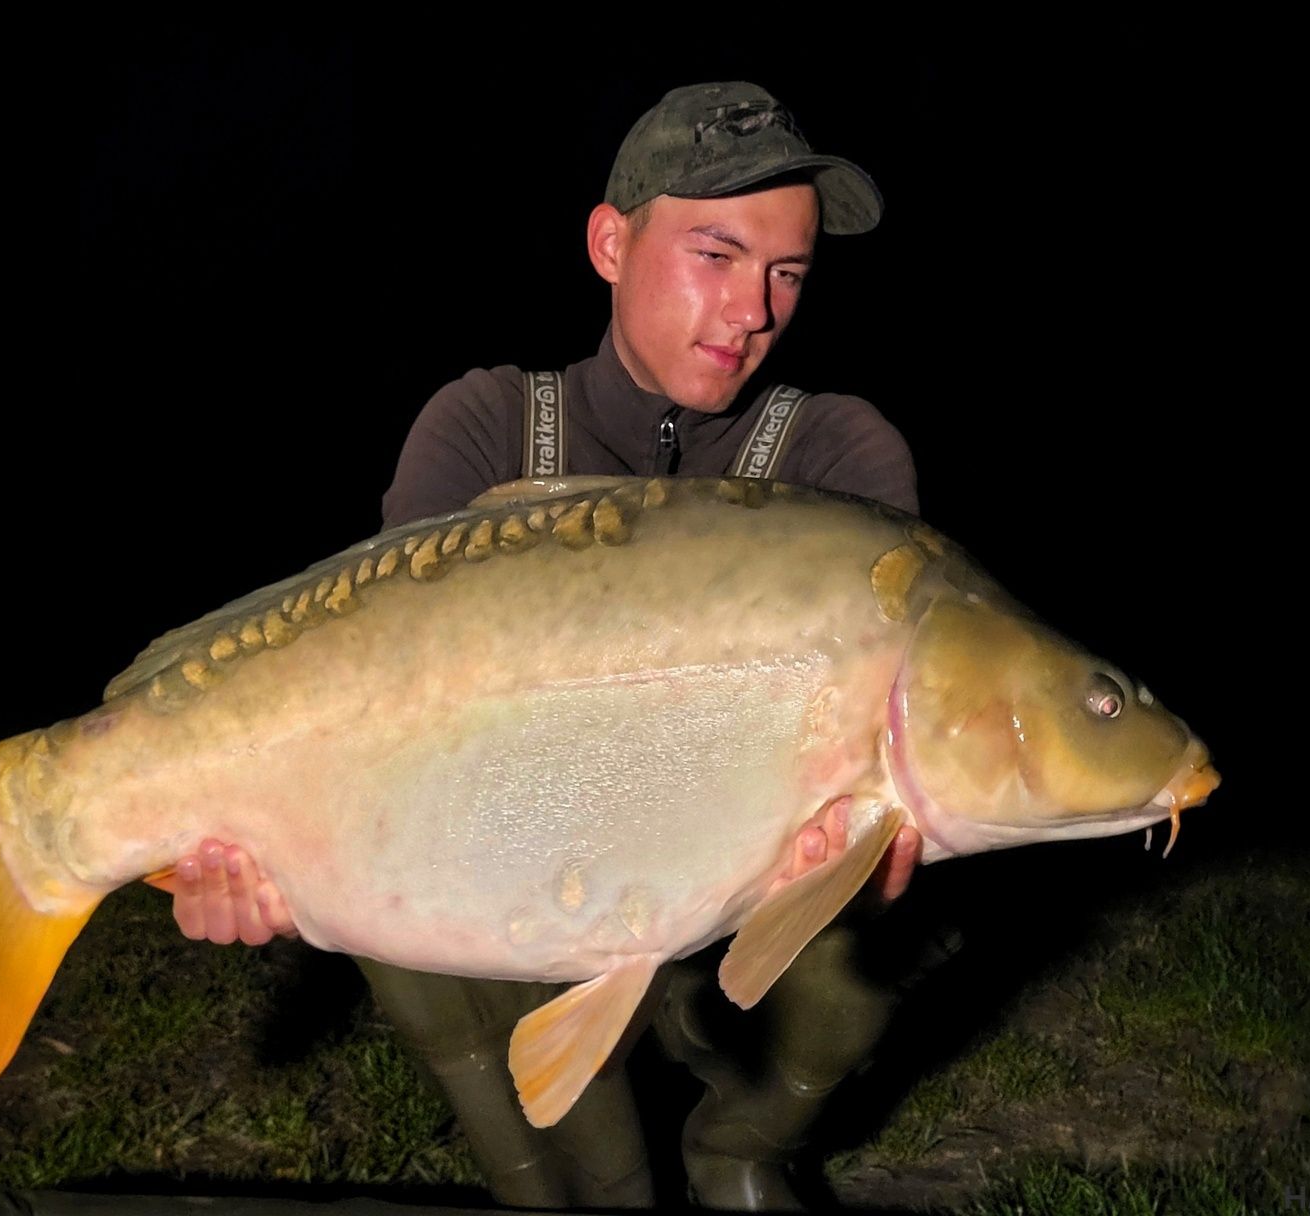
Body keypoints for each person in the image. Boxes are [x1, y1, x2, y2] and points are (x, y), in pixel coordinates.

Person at [167, 82, 928, 1210]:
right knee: (397, 902)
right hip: (539, 898)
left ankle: (742, 1152)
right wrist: (263, 852)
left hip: (738, 934)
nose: (752, 311)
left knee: (859, 943)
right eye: (716, 256)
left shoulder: (839, 459)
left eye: (787, 273)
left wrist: (869, 859)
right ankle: (571, 1190)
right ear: (611, 244)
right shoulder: (482, 429)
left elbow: (892, 770)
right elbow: (380, 717)